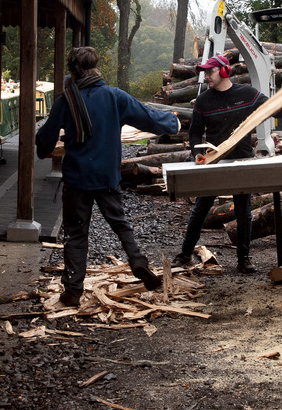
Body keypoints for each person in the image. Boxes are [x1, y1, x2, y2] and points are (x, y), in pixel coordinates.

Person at [35, 46, 180, 306]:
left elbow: (45, 140)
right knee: (120, 223)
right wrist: (173, 122)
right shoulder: (114, 96)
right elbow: (147, 117)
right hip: (107, 177)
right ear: (95, 67)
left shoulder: (66, 100)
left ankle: (72, 291)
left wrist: (42, 145)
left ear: (74, 71)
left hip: (77, 179)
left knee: (76, 235)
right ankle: (137, 261)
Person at [174, 56, 265, 272]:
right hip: (214, 161)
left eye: (210, 72)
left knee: (244, 212)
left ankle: (244, 259)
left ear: (224, 71)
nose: (206, 76)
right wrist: (197, 154)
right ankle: (186, 254)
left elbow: (270, 107)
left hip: (241, 160)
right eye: (205, 72)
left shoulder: (246, 94)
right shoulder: (204, 101)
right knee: (200, 210)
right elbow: (195, 133)